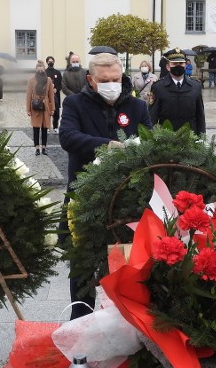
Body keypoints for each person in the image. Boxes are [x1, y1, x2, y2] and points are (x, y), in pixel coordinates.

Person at [59, 53, 152, 318]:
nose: (111, 84)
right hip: (84, 197)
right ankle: (81, 323)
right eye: (104, 80)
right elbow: (67, 137)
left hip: (126, 201)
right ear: (91, 79)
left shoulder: (138, 107)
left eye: (115, 79)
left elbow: (151, 141)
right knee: (83, 266)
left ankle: (128, 323)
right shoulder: (75, 104)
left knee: (127, 265)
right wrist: (105, 146)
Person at [149, 47, 206, 135]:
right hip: (166, 137)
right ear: (168, 67)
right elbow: (152, 116)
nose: (178, 66)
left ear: (185, 65)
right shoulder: (158, 87)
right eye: (174, 63)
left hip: (190, 137)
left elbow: (200, 116)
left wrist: (202, 138)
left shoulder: (195, 86)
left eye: (181, 63)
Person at [26, 60, 55, 155]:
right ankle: (37, 148)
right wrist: (28, 109)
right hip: (35, 104)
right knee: (36, 128)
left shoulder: (48, 80)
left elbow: (51, 95)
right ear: (36, 69)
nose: (40, 70)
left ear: (44, 69)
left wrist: (52, 108)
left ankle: (44, 147)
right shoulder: (31, 80)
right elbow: (28, 95)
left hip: (45, 105)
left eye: (42, 68)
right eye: (38, 68)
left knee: (44, 127)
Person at [45, 55, 63, 133]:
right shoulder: (45, 72)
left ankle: (55, 126)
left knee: (56, 112)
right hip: (47, 95)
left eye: (52, 61)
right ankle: (47, 127)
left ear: (54, 62)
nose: (51, 62)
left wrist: (57, 89)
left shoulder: (57, 72)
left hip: (56, 95)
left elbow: (61, 84)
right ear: (47, 62)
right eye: (49, 61)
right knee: (47, 110)